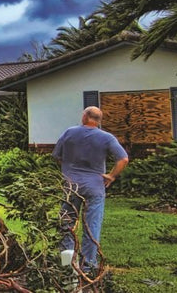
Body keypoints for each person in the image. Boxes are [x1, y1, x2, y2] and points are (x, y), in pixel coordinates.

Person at [52, 106, 129, 272]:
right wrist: (111, 176)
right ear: (99, 120)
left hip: (71, 186)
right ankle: (88, 267)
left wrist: (68, 170)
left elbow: (57, 156)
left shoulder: (69, 132)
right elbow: (123, 159)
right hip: (95, 187)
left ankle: (67, 265)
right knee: (92, 226)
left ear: (85, 117)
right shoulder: (107, 137)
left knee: (66, 224)